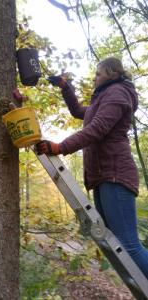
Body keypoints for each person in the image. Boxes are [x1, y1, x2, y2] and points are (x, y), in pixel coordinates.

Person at [36, 57, 148, 279]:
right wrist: (66, 88)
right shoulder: (105, 98)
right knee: (117, 243)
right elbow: (80, 111)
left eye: (98, 73)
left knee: (128, 245)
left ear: (112, 73)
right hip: (103, 176)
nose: (95, 77)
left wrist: (61, 147)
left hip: (115, 174)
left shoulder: (117, 93)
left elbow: (97, 128)